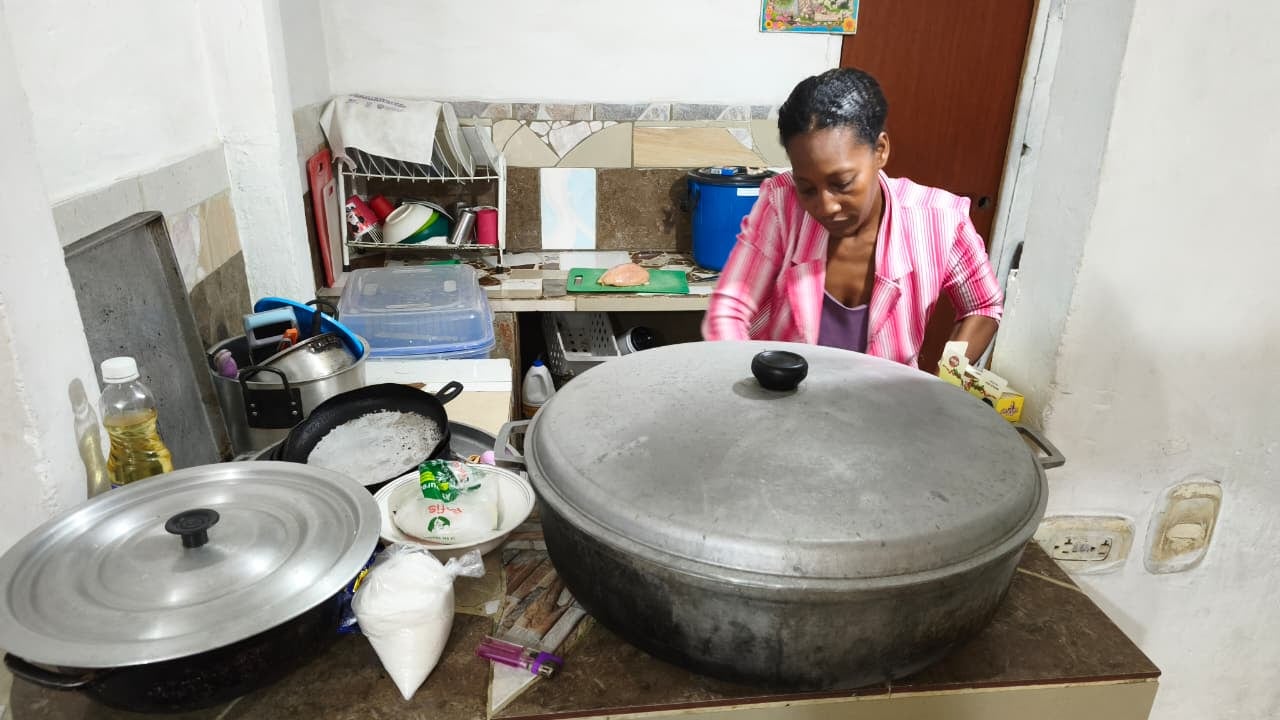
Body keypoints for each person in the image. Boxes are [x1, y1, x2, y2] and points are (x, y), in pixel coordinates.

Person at [701, 68, 1003, 368]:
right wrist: (747, 381)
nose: (826, 207)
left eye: (841, 183)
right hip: (783, 403)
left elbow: (983, 305)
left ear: (880, 150)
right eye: (807, 188)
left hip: (887, 403)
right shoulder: (782, 203)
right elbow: (730, 307)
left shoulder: (940, 221)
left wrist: (942, 381)